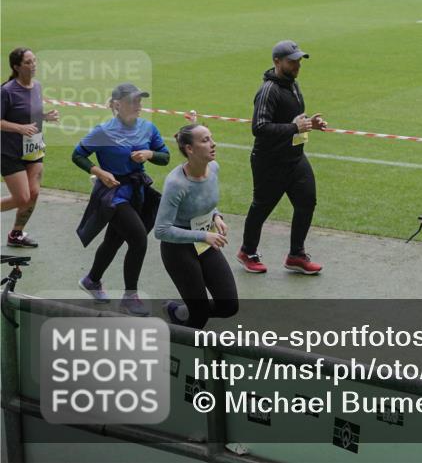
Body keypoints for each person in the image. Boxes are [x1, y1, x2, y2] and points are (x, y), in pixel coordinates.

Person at [73, 83, 169, 316]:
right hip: (113, 195)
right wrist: (99, 172)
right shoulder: (103, 132)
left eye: (139, 100)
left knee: (114, 240)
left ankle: (92, 280)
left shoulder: (148, 127)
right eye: (132, 101)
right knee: (138, 239)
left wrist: (149, 154)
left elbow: (165, 157)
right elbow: (78, 155)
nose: (138, 105)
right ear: (117, 104)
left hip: (137, 193)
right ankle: (129, 297)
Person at [238, 40, 326, 275]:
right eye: (292, 61)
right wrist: (294, 128)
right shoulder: (269, 90)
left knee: (307, 201)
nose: (297, 65)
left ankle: (296, 255)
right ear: (277, 62)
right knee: (262, 207)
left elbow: (293, 121)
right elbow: (259, 127)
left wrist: (310, 124)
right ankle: (247, 252)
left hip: (295, 158)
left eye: (299, 60)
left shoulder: (293, 84)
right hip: (270, 161)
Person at [155, 124, 238, 329]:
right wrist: (203, 236)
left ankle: (178, 311)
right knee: (199, 316)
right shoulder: (176, 184)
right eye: (205, 140)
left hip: (204, 243)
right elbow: (161, 230)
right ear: (189, 149)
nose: (213, 144)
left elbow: (205, 201)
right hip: (178, 250)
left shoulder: (214, 168)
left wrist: (216, 216)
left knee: (229, 306)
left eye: (211, 138)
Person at [1, 48, 60, 248]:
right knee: (22, 198)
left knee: (33, 194)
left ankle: (16, 234)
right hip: (10, 152)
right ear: (16, 67)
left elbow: (29, 114)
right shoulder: (6, 91)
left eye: (34, 60)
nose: (33, 65)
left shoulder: (37, 87)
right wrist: (20, 128)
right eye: (28, 62)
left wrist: (45, 117)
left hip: (34, 148)